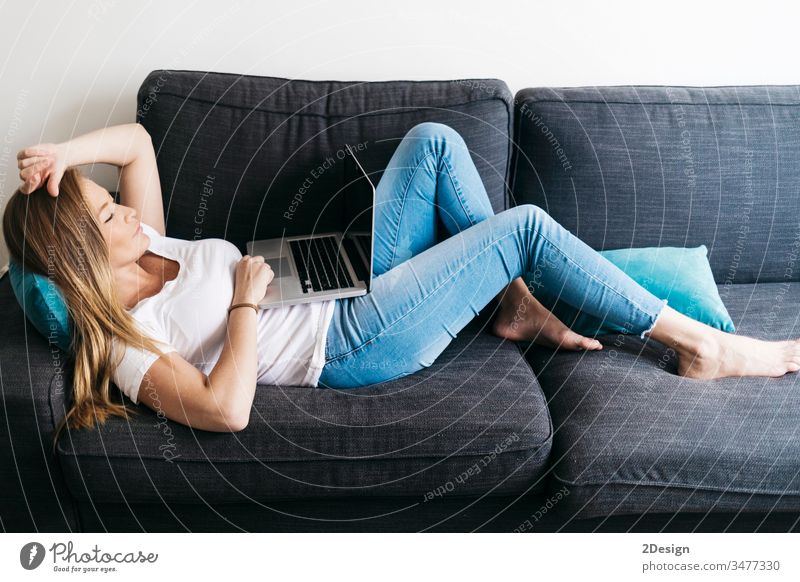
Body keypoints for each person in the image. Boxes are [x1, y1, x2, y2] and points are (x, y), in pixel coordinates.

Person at [4, 122, 799, 437]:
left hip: (332, 279)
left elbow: (138, 142)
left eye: (114, 204)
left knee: (434, 143)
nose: (130, 216)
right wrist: (246, 302)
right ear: (78, 257)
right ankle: (700, 346)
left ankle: (513, 305)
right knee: (520, 229)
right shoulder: (123, 344)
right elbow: (225, 411)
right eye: (107, 219)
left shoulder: (147, 244)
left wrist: (66, 163)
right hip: (350, 340)